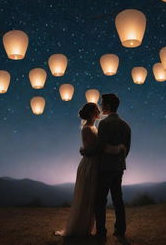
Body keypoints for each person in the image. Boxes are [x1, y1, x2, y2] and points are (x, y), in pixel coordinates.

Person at [54, 102, 125, 237]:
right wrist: (119, 148)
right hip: (90, 165)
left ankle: (86, 227)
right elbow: (99, 148)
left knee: (92, 196)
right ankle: (80, 228)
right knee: (87, 196)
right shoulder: (87, 129)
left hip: (94, 163)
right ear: (92, 113)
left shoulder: (92, 127)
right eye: (96, 110)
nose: (99, 111)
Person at [82, 93, 131, 239]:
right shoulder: (126, 126)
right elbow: (126, 149)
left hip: (104, 168)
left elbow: (100, 146)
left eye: (103, 103)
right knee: (118, 199)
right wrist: (119, 160)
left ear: (108, 106)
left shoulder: (104, 124)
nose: (101, 106)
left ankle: (101, 232)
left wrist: (86, 151)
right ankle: (120, 230)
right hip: (119, 168)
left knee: (100, 200)